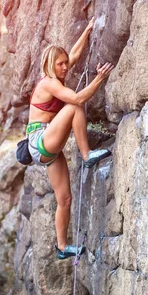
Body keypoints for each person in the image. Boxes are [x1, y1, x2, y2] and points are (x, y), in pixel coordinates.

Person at [27, 17, 114, 259]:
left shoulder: (57, 76)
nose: (66, 67)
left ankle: (62, 248)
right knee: (74, 106)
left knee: (64, 199)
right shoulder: (49, 83)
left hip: (48, 147)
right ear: (50, 65)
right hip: (39, 141)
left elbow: (73, 55)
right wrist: (98, 79)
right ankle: (87, 156)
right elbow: (76, 100)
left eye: (66, 63)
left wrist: (87, 30)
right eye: (61, 64)